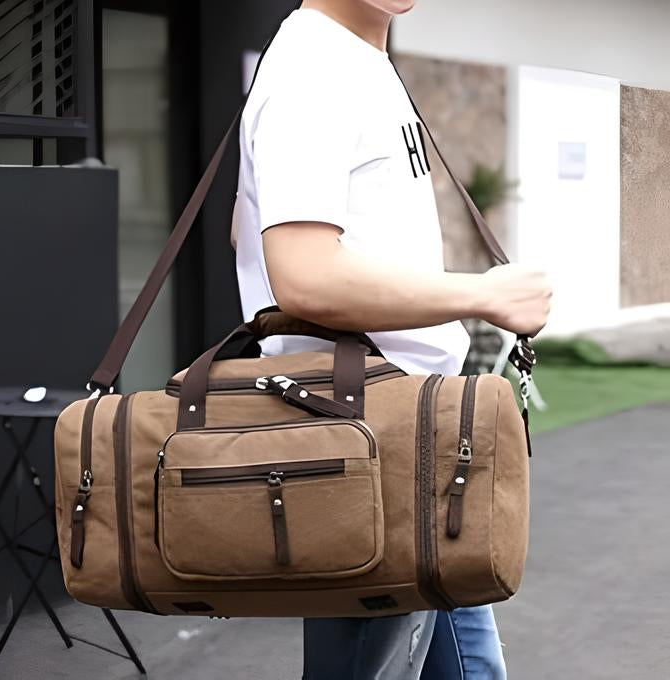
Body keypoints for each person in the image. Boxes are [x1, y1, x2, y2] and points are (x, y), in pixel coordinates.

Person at [231, 1, 552, 678]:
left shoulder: (357, 58)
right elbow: (305, 275)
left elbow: (248, 229)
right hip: (364, 444)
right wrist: (482, 293)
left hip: (410, 444)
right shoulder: (315, 66)